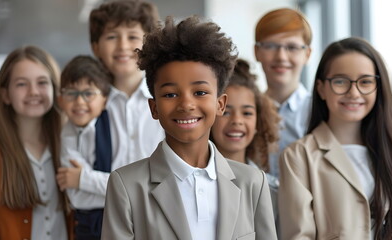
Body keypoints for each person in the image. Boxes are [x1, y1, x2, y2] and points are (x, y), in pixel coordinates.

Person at [101, 16, 277, 240]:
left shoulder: (253, 182)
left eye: (200, 92)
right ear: (154, 107)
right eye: (170, 94)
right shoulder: (126, 185)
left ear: (220, 104)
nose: (186, 104)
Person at [279, 37, 392, 239]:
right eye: (340, 81)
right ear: (321, 88)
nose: (354, 92)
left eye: (365, 82)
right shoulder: (298, 156)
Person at [0, 46, 74, 239]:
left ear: (55, 89)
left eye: (42, 82)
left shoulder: (72, 147)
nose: (33, 92)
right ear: (5, 94)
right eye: (22, 84)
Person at [88, 0, 164, 168]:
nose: (123, 46)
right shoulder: (88, 103)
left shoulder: (166, 98)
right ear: (96, 47)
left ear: (149, 44)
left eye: (133, 37)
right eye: (112, 37)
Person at [210, 58, 281, 234]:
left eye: (247, 113)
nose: (237, 121)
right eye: (226, 112)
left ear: (259, 121)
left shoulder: (273, 191)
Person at [56, 55, 112, 239]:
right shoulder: (67, 135)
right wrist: (112, 191)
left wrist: (82, 179)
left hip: (122, 223)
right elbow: (77, 198)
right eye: (71, 93)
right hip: (87, 227)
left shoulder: (115, 127)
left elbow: (130, 189)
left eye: (88, 93)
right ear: (61, 100)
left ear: (104, 99)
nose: (79, 101)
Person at [254, 8, 312, 179]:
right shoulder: (246, 111)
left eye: (292, 47)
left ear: (307, 54)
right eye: (271, 46)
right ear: (257, 52)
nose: (281, 56)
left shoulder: (320, 111)